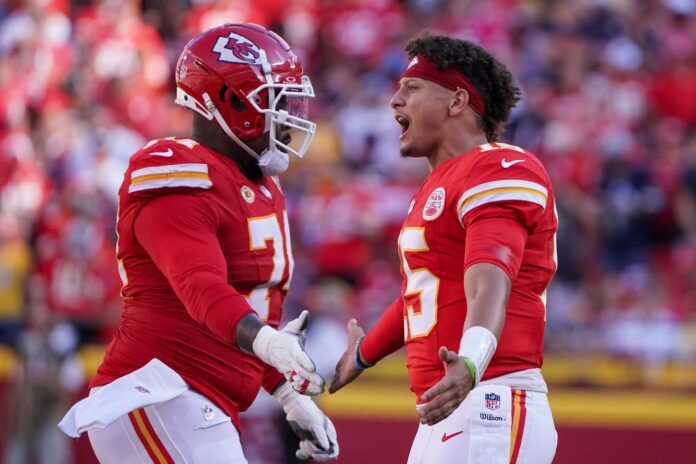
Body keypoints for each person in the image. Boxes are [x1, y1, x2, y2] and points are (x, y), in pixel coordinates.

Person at [58, 23, 338, 463]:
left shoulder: (264, 186)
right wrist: (269, 344)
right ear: (229, 100)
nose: (290, 117)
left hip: (202, 399)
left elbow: (245, 308)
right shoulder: (175, 170)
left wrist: (285, 394)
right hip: (157, 391)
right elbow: (201, 288)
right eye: (275, 101)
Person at [329, 34, 558, 463]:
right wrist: (363, 355)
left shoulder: (498, 165)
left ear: (456, 102)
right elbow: (425, 292)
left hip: (492, 396)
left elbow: (489, 280)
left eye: (411, 89)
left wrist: (472, 362)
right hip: (448, 405)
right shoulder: (436, 186)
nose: (395, 101)